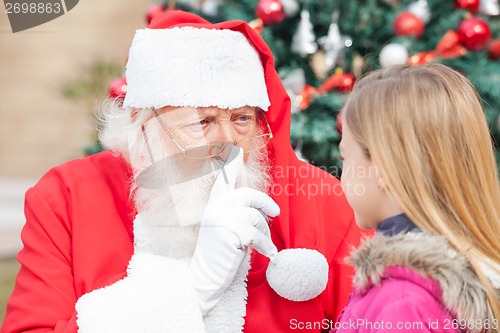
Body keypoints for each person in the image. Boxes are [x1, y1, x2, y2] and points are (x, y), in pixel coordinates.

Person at [1, 10, 365, 333]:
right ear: (142, 126)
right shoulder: (67, 195)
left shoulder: (319, 200)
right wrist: (194, 288)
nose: (229, 144)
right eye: (202, 122)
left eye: (242, 119)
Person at [332, 63, 500, 333]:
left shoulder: (401, 302)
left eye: (345, 157)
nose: (342, 174)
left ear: (383, 168)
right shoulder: (466, 274)